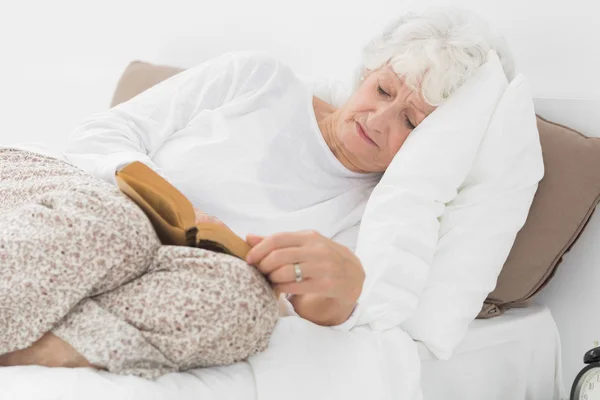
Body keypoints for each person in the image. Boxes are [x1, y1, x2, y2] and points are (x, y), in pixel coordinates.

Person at [1, 7, 515, 374]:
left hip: (160, 270)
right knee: (117, 226)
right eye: (382, 90)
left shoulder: (377, 213)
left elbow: (332, 309)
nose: (379, 120)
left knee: (244, 305)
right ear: (365, 72)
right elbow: (99, 136)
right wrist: (159, 203)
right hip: (65, 198)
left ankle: (28, 349)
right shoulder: (258, 78)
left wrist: (321, 289)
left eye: (410, 120)